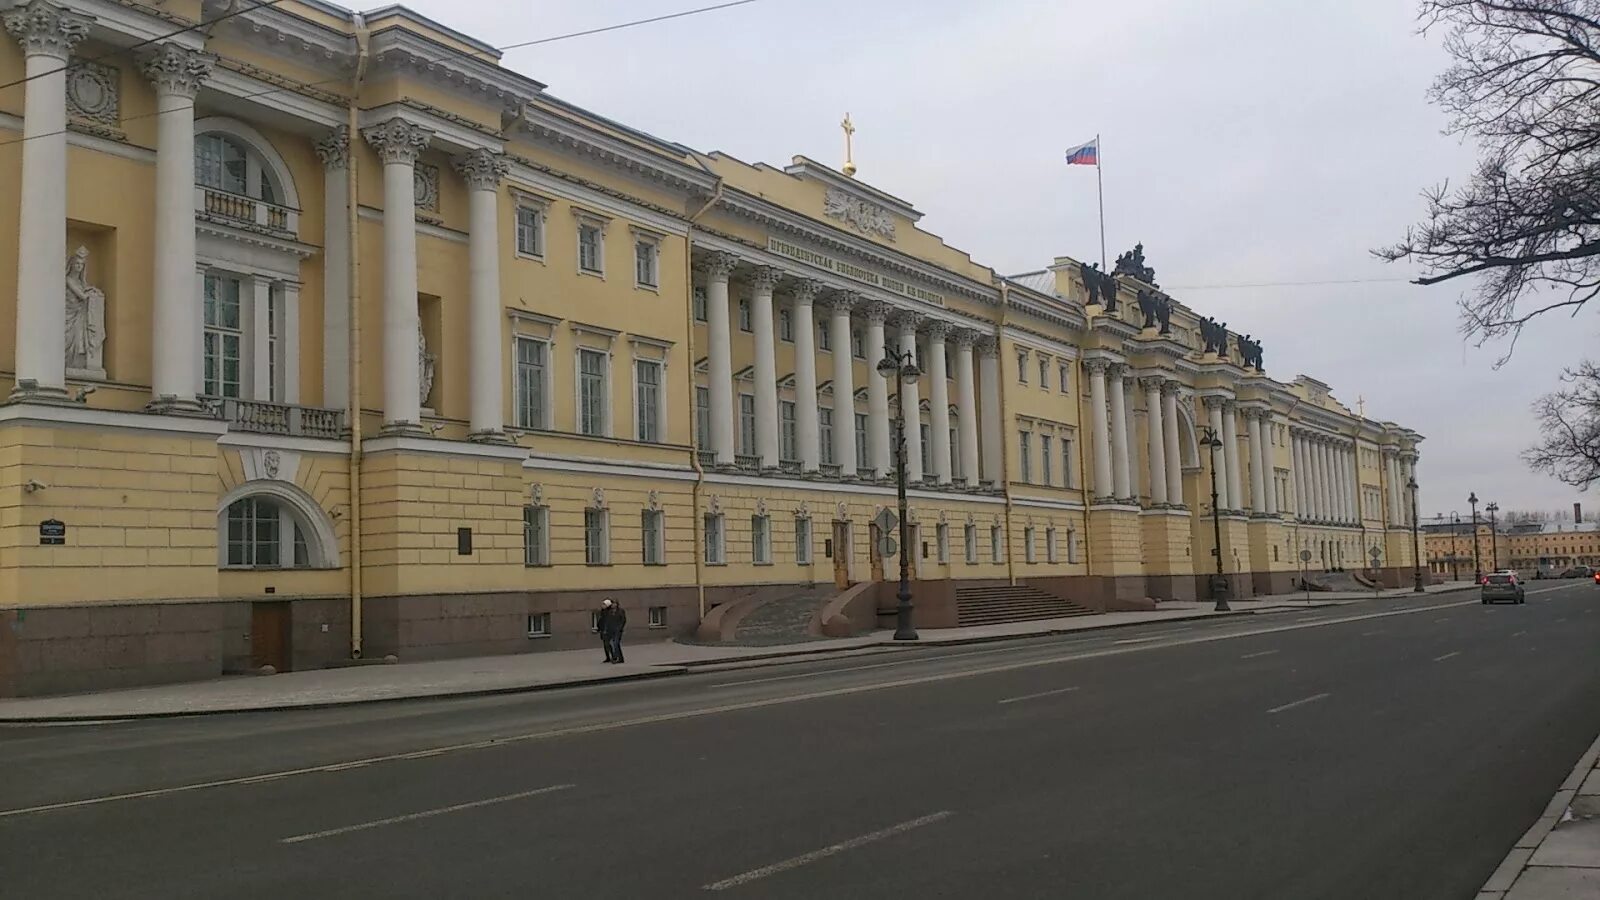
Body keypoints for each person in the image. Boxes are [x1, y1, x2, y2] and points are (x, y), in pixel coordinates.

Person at [597, 598, 626, 664]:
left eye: (614, 603)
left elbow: (623, 620)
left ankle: (617, 658)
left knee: (615, 643)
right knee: (614, 644)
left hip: (618, 630)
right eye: (612, 603)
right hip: (611, 630)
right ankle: (618, 658)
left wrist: (620, 628)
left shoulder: (620, 611)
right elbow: (607, 621)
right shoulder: (610, 612)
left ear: (617, 604)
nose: (613, 605)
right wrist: (606, 629)